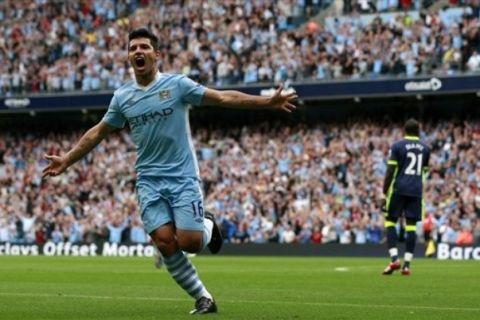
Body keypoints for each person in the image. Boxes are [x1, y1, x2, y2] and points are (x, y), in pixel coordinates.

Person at [42, 28, 297, 315]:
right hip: (149, 180)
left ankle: (208, 224)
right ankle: (204, 298)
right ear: (129, 56)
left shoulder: (178, 86)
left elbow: (223, 98)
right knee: (164, 241)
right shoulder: (122, 97)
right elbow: (98, 132)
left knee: (189, 241)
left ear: (156, 54)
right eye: (133, 48)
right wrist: (67, 159)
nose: (138, 51)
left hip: (183, 176)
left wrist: (267, 102)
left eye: (144, 47)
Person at [381, 118, 430, 276]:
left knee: (390, 222)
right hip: (416, 190)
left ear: (404, 130)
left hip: (399, 188)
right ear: (418, 130)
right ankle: (407, 265)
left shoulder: (397, 146)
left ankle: (394, 258)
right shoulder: (426, 148)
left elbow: (390, 171)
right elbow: (424, 172)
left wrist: (384, 192)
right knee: (411, 227)